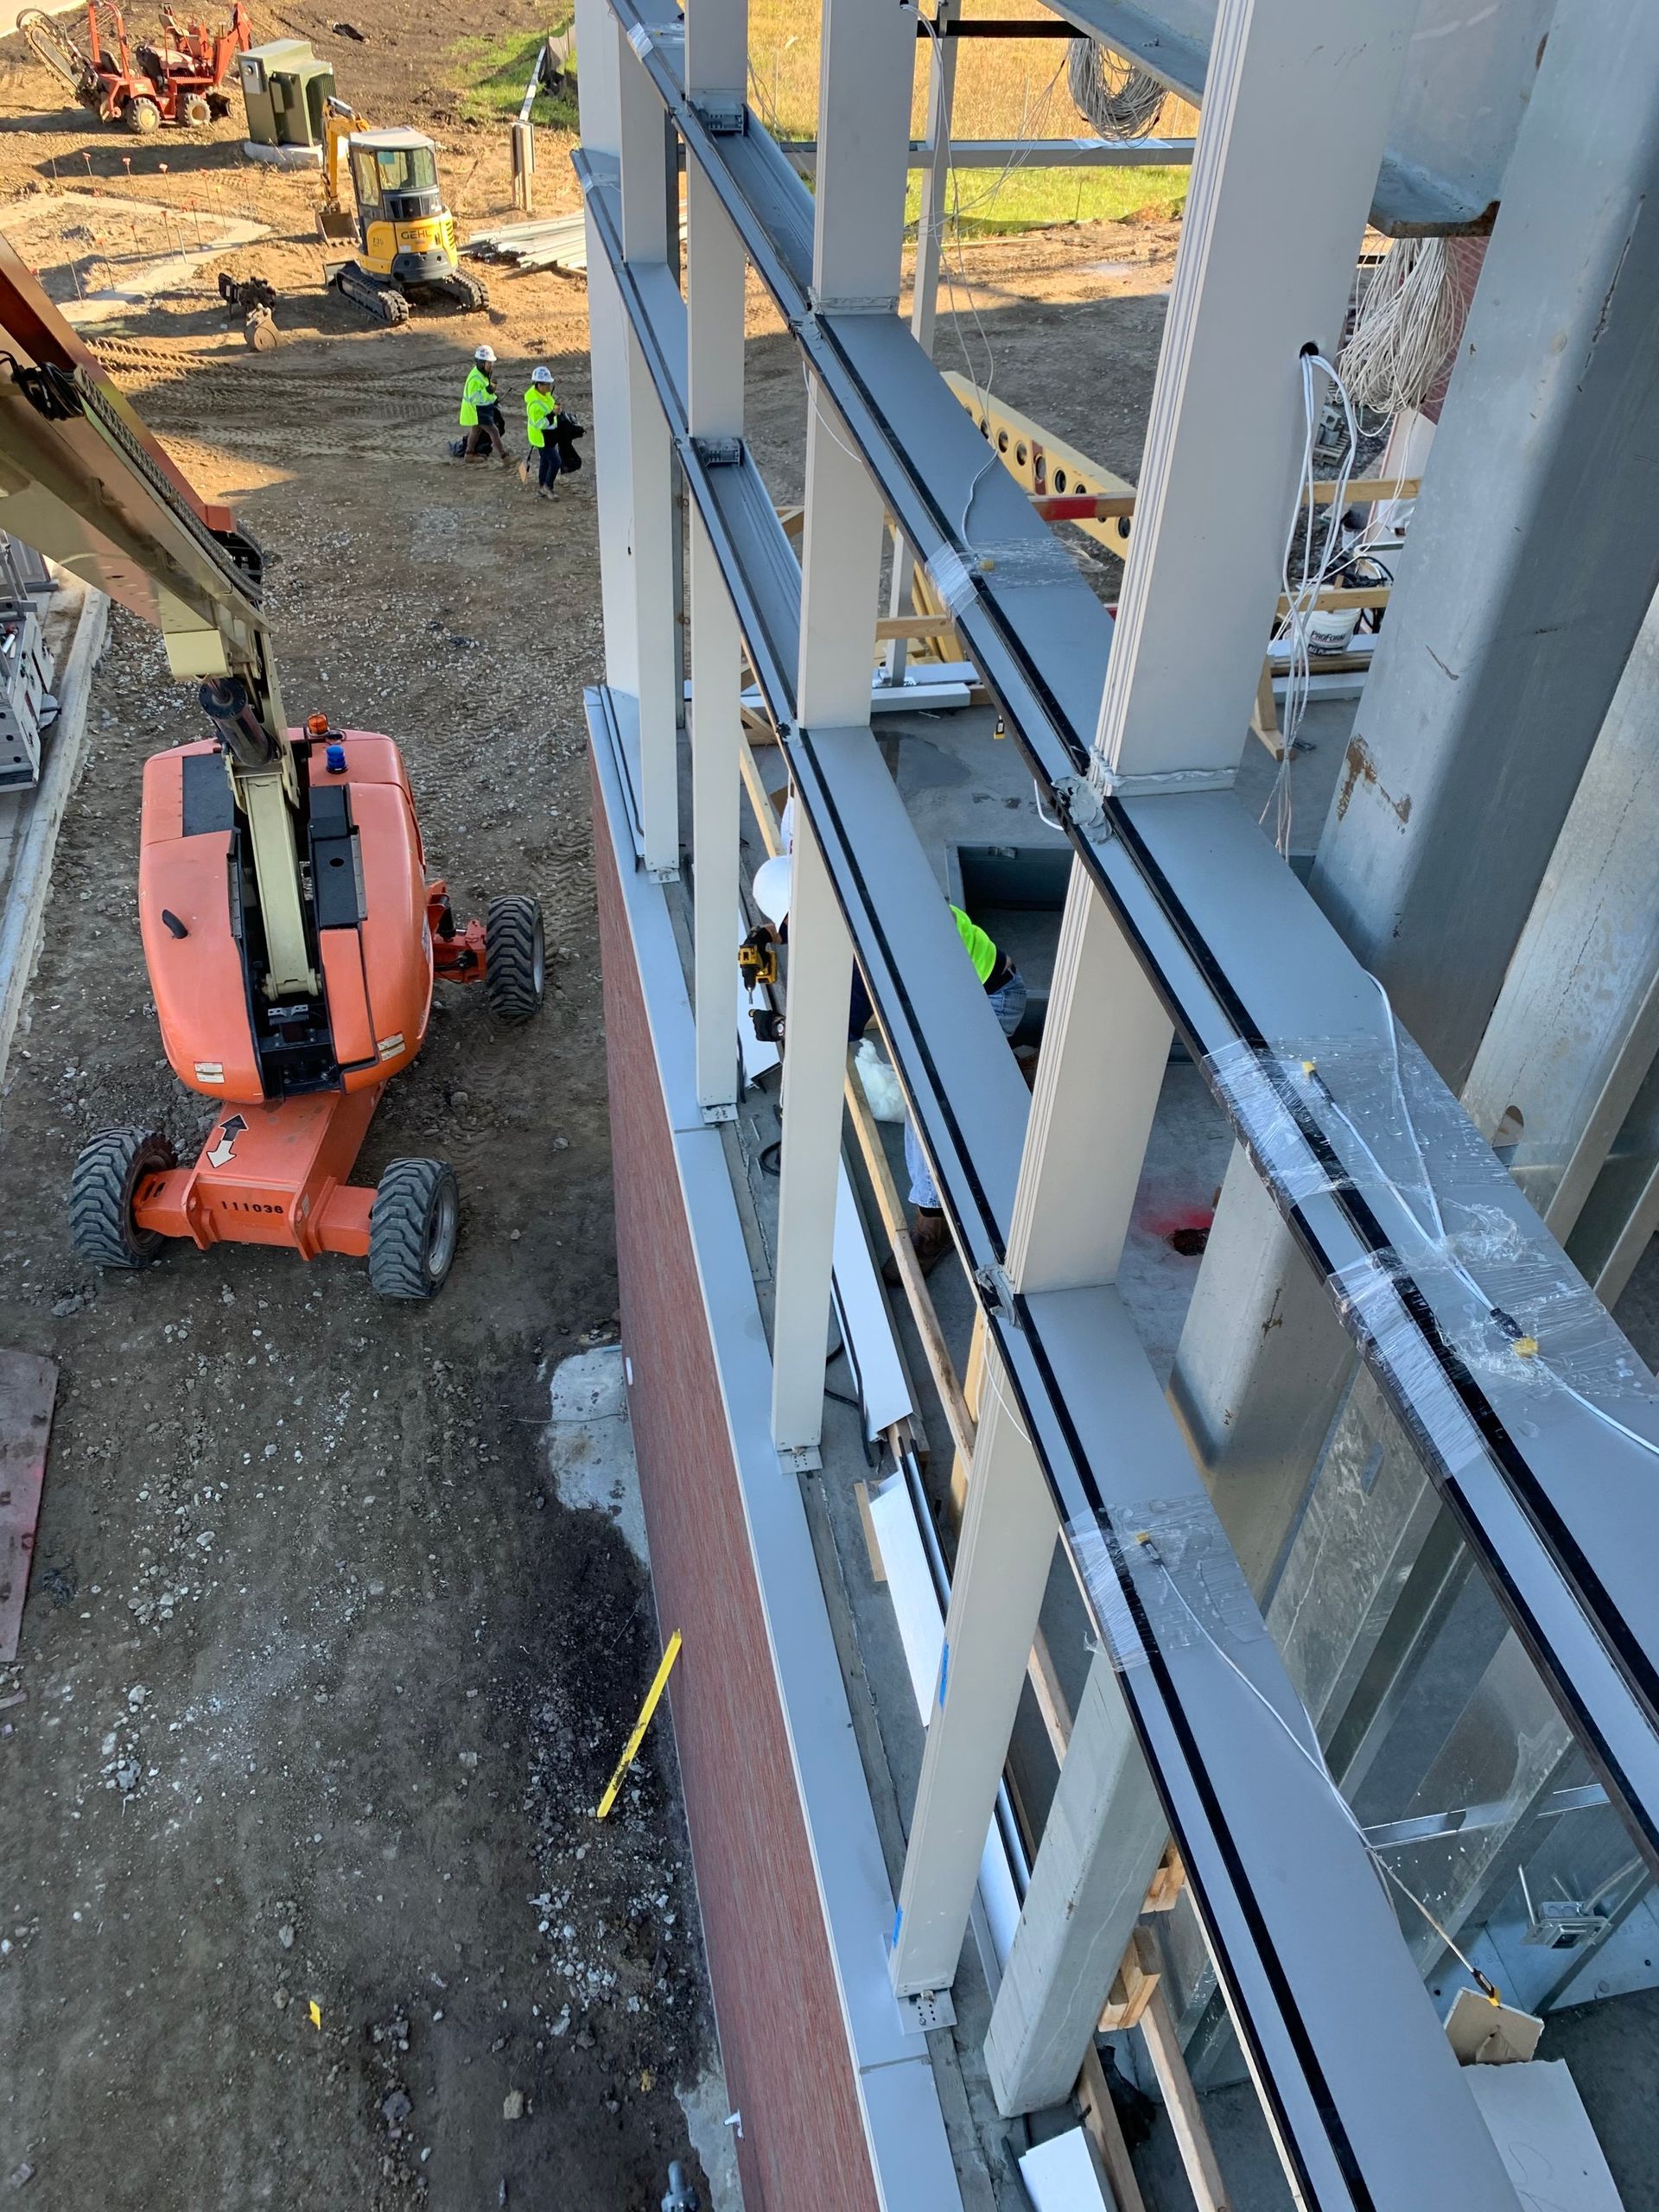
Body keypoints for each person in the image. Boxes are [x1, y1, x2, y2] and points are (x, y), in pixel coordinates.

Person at [750, 855, 1026, 1274]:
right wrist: (767, 933)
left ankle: (934, 1227)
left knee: (926, 1104)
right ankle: (1003, 1068)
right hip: (971, 988)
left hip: (987, 1004)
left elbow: (837, 1030)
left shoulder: (865, 948)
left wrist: (782, 1026)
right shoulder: (866, 890)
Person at [460, 344, 510, 465]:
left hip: (479, 410)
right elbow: (475, 398)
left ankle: (469, 454)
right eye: (489, 363)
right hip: (477, 411)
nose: (491, 366)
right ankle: (505, 457)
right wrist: (488, 391)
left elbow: (485, 393)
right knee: (494, 432)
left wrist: (493, 398)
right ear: (482, 363)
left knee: (476, 432)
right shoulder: (475, 378)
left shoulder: (482, 374)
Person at [521, 365, 563, 499]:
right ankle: (547, 487)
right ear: (539, 385)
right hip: (542, 438)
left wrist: (556, 412)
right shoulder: (534, 404)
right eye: (547, 384)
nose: (549, 386)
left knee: (545, 462)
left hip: (549, 436)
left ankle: (541, 487)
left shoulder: (545, 396)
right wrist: (552, 414)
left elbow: (550, 411)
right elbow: (540, 424)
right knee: (556, 462)